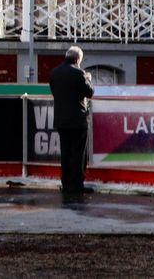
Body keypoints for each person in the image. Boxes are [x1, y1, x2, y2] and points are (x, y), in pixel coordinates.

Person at [49, 45, 94, 198]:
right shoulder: (79, 73)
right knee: (79, 154)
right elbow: (90, 92)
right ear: (77, 59)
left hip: (61, 120)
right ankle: (77, 185)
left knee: (66, 153)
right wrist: (88, 79)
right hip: (77, 120)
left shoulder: (54, 73)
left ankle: (66, 184)